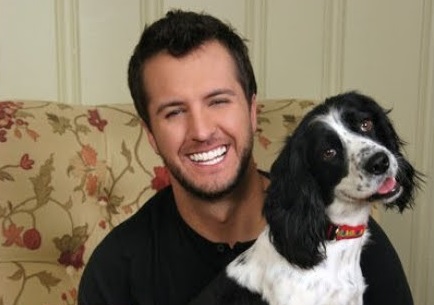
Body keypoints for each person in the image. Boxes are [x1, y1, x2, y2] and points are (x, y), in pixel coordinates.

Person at [78, 10, 413, 305]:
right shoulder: (115, 272)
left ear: (253, 111)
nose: (202, 130)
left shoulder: (357, 243)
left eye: (218, 101)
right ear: (150, 134)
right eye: (174, 112)